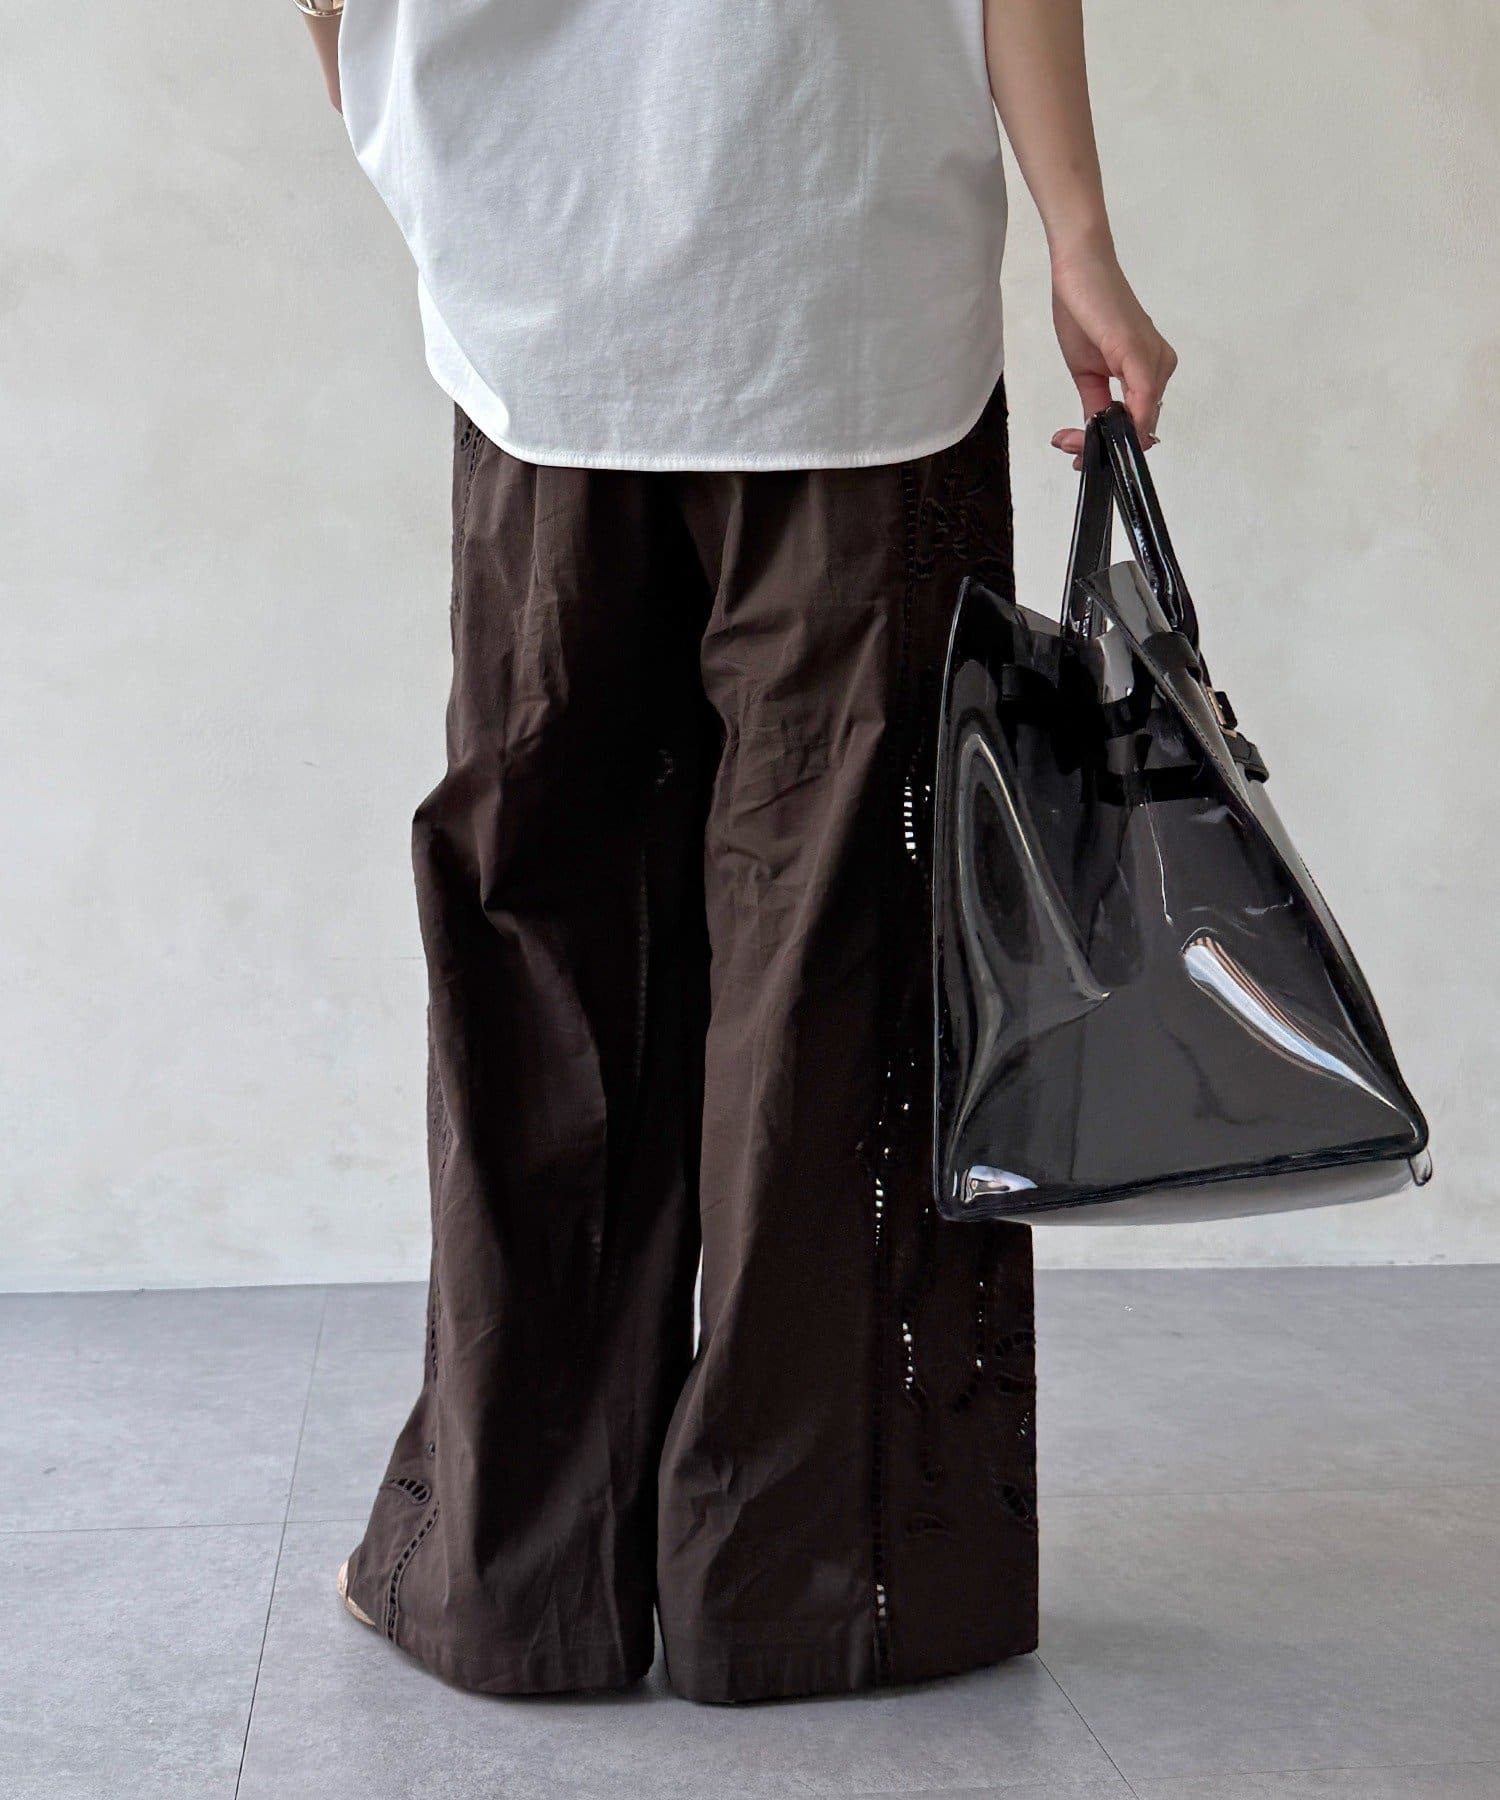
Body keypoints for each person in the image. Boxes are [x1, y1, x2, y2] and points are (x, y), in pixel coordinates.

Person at [298, 0, 1176, 1706]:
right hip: (847, 261)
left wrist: (431, 156)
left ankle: (511, 1573)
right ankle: (817, 1580)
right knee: (840, 946)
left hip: (538, 277)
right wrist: (1081, 236)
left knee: (548, 940)